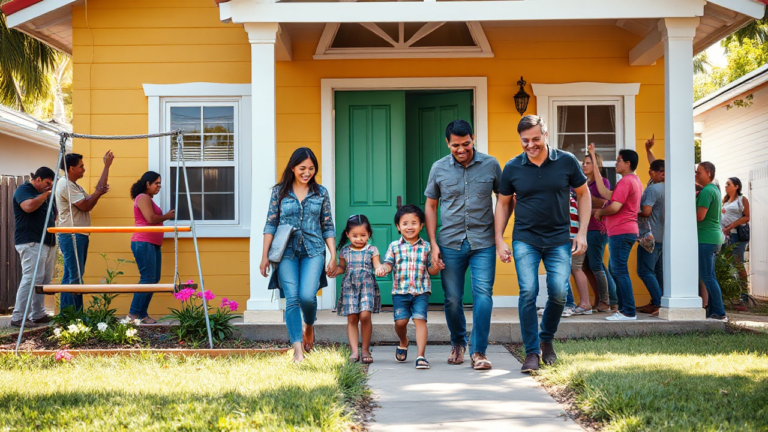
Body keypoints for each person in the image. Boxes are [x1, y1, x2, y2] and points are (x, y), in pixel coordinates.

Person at [495, 115, 590, 374]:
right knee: (528, 292)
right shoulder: (513, 167)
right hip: (525, 238)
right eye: (525, 140)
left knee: (559, 293)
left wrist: (581, 233)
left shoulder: (566, 161)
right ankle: (532, 352)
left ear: (545, 135)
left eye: (535, 139)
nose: (530, 145)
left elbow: (583, 194)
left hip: (560, 239)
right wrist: (499, 239)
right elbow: (503, 203)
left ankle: (546, 338)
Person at [424, 119, 502, 370]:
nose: (461, 149)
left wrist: (500, 237)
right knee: (453, 299)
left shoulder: (491, 165)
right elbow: (431, 205)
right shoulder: (438, 168)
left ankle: (479, 351)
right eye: (455, 145)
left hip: (484, 243)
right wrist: (433, 244)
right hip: (449, 243)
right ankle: (458, 343)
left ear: (473, 138)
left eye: (466, 143)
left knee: (483, 297)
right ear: (448, 143)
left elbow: (504, 200)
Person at [260, 147, 337, 363]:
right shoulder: (279, 192)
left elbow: (328, 225)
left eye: (311, 168)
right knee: (292, 299)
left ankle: (309, 326)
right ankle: (297, 351)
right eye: (302, 168)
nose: (307, 172)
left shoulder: (321, 192)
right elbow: (270, 224)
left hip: (313, 250)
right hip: (286, 252)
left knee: (307, 297)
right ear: (293, 167)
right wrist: (264, 256)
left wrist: (333, 255)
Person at [376, 205, 442, 370]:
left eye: (414, 223)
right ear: (398, 226)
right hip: (400, 292)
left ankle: (421, 356)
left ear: (421, 225)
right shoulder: (394, 246)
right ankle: (403, 341)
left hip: (421, 291)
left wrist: (437, 266)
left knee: (420, 319)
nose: (410, 227)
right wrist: (383, 269)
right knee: (400, 322)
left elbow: (431, 270)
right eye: (405, 223)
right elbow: (389, 264)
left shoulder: (427, 247)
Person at [56, 151, 114, 312]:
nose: (84, 169)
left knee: (72, 274)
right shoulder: (66, 184)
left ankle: (70, 315)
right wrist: (98, 193)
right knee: (74, 276)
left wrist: (106, 167)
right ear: (71, 168)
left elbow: (93, 197)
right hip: (72, 234)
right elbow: (85, 205)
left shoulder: (74, 185)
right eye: (81, 167)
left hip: (78, 234)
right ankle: (72, 316)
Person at [593, 148, 642, 321]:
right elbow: (605, 193)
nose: (616, 163)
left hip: (622, 232)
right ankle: (623, 309)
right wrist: (593, 157)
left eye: (619, 160)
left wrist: (600, 212)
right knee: (616, 269)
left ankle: (628, 312)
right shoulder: (633, 181)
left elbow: (614, 207)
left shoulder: (626, 181)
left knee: (619, 271)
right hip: (624, 232)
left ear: (627, 164)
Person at [332, 214, 383, 364]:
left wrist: (380, 269)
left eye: (363, 235)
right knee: (352, 317)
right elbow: (342, 267)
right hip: (350, 287)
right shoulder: (344, 251)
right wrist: (335, 270)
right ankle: (355, 350)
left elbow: (377, 265)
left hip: (367, 285)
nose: (359, 239)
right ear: (348, 234)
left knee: (365, 315)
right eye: (355, 235)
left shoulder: (372, 250)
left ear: (369, 235)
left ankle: (365, 348)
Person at [10, 167, 57, 328]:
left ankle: (38, 314)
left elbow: (54, 214)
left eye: (51, 184)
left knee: (44, 280)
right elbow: (28, 207)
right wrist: (45, 195)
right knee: (31, 278)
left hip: (48, 241)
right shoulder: (24, 189)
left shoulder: (48, 194)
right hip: (31, 241)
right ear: (38, 179)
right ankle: (18, 317)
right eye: (47, 183)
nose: (49, 187)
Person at [128, 171, 175, 324]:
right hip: (143, 241)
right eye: (156, 183)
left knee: (153, 278)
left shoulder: (147, 198)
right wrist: (167, 216)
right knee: (147, 278)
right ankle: (133, 314)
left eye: (160, 183)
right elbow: (150, 218)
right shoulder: (143, 197)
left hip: (152, 243)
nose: (159, 186)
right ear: (147, 184)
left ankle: (142, 314)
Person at [580, 149, 616, 313]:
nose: (584, 165)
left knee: (596, 266)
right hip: (584, 230)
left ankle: (607, 300)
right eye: (584, 162)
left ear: (596, 166)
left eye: (588, 163)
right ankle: (600, 299)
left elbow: (603, 203)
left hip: (596, 229)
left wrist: (585, 198)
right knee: (587, 266)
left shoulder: (602, 183)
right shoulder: (584, 183)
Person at [696, 162, 727, 320]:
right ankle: (712, 309)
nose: (696, 175)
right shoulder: (714, 189)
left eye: (699, 172)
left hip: (706, 238)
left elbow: (700, 216)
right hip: (714, 237)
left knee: (707, 276)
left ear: (708, 173)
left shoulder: (707, 191)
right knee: (709, 275)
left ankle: (719, 311)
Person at [636, 158, 665, 316]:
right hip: (662, 236)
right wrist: (648, 150)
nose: (663, 174)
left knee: (644, 271)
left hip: (649, 236)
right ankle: (658, 301)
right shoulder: (668, 187)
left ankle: (659, 303)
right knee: (657, 270)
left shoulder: (653, 189)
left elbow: (646, 212)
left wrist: (631, 212)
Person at [721, 177, 750, 283]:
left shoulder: (742, 199)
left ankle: (744, 293)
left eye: (728, 184)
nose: (726, 186)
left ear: (736, 187)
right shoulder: (725, 200)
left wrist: (730, 226)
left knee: (738, 263)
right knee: (729, 262)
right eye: (725, 184)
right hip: (727, 235)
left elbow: (747, 217)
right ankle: (735, 288)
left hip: (737, 234)